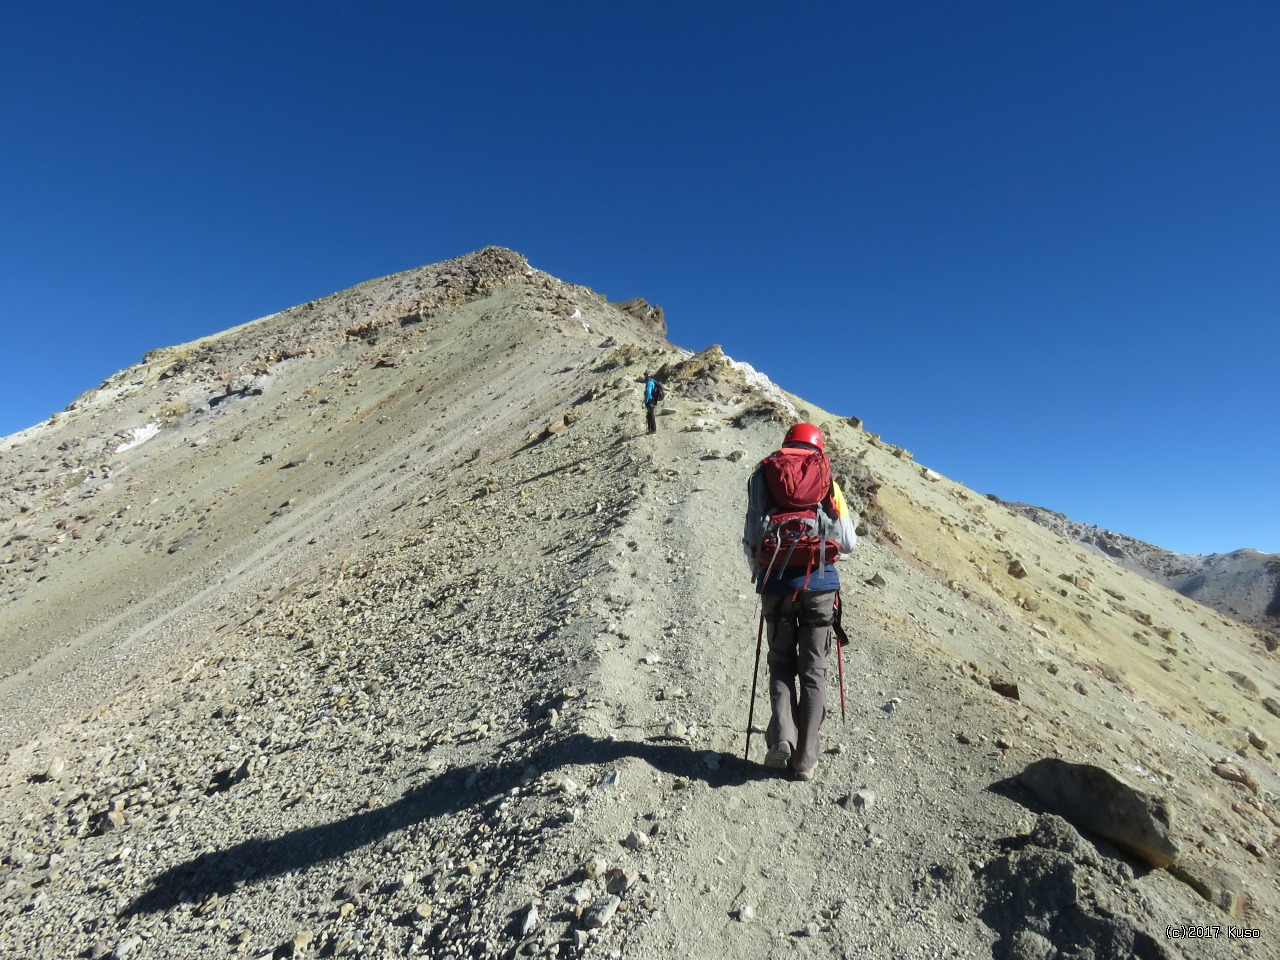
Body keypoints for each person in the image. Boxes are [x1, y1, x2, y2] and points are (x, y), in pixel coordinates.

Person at [742, 423, 857, 781]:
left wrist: (763, 577)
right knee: (813, 670)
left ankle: (783, 737)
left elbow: (751, 536)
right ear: (818, 446)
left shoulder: (763, 475)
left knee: (779, 662)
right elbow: (848, 542)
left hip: (775, 583)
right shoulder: (828, 479)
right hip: (820, 585)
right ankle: (805, 760)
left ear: (787, 444)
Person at [642, 369, 664, 434]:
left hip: (650, 401)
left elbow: (648, 392)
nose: (645, 376)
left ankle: (653, 430)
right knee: (650, 414)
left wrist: (645, 401)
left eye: (645, 375)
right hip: (653, 400)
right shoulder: (653, 382)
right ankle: (651, 429)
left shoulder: (649, 382)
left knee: (651, 415)